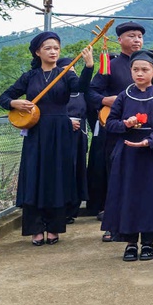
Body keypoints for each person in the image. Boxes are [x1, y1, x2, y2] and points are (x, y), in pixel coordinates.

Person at [87, 21, 153, 242]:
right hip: (121, 136)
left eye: (139, 35)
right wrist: (107, 100)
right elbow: (91, 92)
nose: (136, 39)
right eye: (131, 35)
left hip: (150, 138)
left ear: (152, 71)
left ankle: (149, 234)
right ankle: (117, 225)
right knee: (117, 180)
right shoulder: (110, 64)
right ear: (120, 40)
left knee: (152, 184)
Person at [0, 32, 94, 246]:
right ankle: (35, 228)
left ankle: (54, 228)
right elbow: (4, 97)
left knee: (56, 177)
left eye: (56, 48)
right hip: (36, 131)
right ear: (37, 52)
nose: (53, 52)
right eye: (48, 48)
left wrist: (89, 67)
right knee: (35, 175)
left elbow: (81, 88)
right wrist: (16, 103)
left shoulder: (65, 73)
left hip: (61, 130)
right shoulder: (29, 76)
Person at [101, 50, 153, 262]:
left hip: (151, 153)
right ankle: (130, 242)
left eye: (144, 69)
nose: (139, 73)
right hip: (127, 152)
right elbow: (111, 123)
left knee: (151, 197)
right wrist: (125, 124)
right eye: (135, 69)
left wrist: (150, 141)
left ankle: (149, 242)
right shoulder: (124, 96)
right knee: (128, 196)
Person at [57, 57, 89, 223]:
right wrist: (66, 121)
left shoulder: (82, 91)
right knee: (62, 171)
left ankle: (72, 210)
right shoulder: (55, 92)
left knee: (78, 171)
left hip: (79, 138)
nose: (69, 73)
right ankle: (59, 209)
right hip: (59, 138)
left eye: (72, 69)